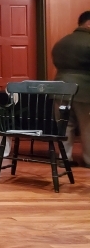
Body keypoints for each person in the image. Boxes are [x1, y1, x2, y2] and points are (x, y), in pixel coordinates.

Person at [53, 11, 90, 167]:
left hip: (60, 87)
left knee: (64, 125)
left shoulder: (62, 42)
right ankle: (89, 160)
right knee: (87, 126)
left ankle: (64, 158)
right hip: (85, 89)